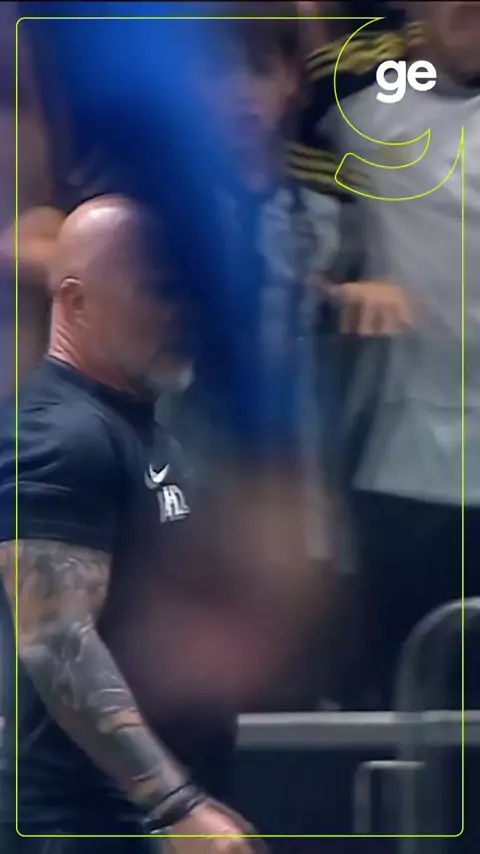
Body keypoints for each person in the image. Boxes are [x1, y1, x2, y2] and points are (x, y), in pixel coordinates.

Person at [0, 195, 266, 850]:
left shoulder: (140, 429)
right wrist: (175, 805)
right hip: (79, 827)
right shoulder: (60, 434)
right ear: (77, 302)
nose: (184, 313)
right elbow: (55, 639)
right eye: (160, 290)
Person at [288, 0, 480, 707]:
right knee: (402, 708)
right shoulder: (355, 95)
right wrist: (336, 290)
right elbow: (273, 234)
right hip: (408, 471)